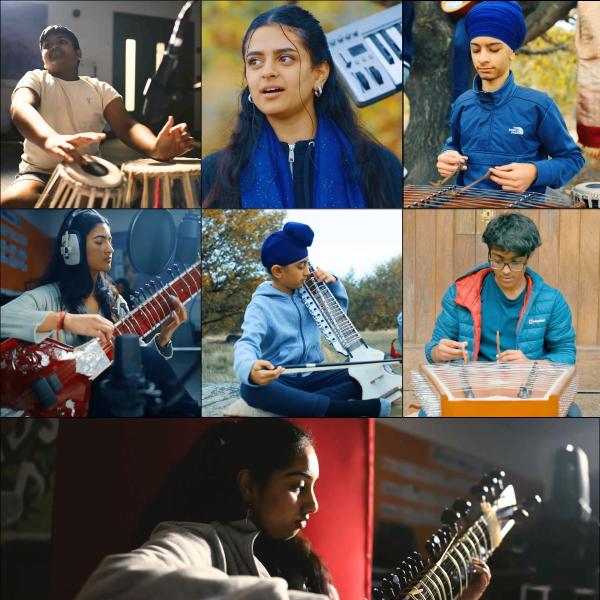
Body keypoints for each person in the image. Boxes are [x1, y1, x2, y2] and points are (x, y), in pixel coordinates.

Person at [76, 419, 336, 600]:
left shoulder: (298, 560)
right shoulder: (200, 541)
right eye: (299, 486)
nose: (313, 504)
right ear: (249, 486)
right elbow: (110, 586)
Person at [0, 209, 199, 416]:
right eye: (99, 241)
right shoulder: (47, 297)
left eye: (110, 241)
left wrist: (163, 339)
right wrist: (65, 320)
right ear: (73, 248)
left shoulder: (116, 303)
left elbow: (137, 363)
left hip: (112, 398)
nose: (110, 249)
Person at [202, 5, 402, 208]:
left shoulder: (378, 165)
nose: (267, 72)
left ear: (320, 73)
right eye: (254, 61)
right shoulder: (215, 173)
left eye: (285, 59)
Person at [1, 25, 195, 207]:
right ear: (43, 59)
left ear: (78, 54)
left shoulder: (100, 88)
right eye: (47, 45)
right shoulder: (35, 78)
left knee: (132, 201)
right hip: (38, 173)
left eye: (61, 41)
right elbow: (20, 107)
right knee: (14, 200)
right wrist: (49, 139)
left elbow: (127, 125)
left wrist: (154, 147)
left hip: (87, 172)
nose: (54, 46)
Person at [425, 212, 581, 416]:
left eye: (515, 262)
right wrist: (439, 352)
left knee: (572, 414)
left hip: (527, 389)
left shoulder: (551, 300)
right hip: (472, 388)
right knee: (429, 413)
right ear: (489, 253)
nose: (506, 271)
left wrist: (531, 364)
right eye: (497, 260)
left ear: (528, 258)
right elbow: (433, 349)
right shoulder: (460, 293)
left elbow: (566, 355)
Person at [233, 222, 393, 417]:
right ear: (278, 271)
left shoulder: (309, 290)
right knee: (249, 389)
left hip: (315, 374)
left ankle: (300, 404)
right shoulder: (261, 306)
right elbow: (247, 342)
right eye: (301, 266)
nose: (307, 272)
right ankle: (337, 409)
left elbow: (339, 316)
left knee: (369, 368)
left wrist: (333, 283)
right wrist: (249, 369)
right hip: (282, 376)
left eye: (307, 264)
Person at [436, 1, 584, 194]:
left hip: (521, 214)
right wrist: (447, 156)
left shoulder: (538, 105)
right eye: (475, 49)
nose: (482, 58)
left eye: (494, 49)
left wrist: (535, 171)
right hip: (466, 209)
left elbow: (573, 158)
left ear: (512, 52)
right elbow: (454, 144)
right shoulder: (463, 104)